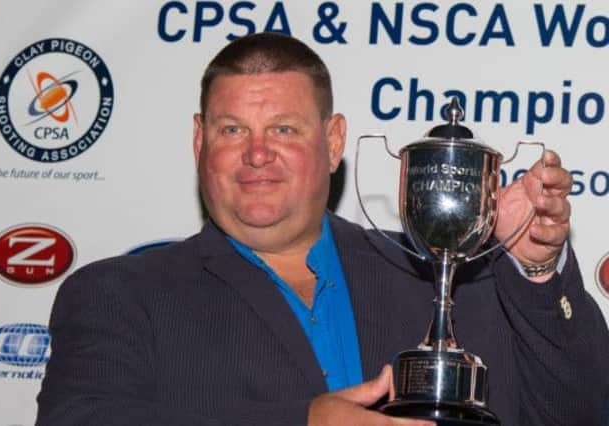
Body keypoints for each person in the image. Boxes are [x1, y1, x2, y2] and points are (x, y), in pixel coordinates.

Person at [36, 32, 609, 426]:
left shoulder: (455, 281)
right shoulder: (119, 295)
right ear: (198, 141)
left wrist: (534, 271)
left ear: (334, 142)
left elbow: (580, 414)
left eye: (284, 129)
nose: (257, 155)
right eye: (233, 129)